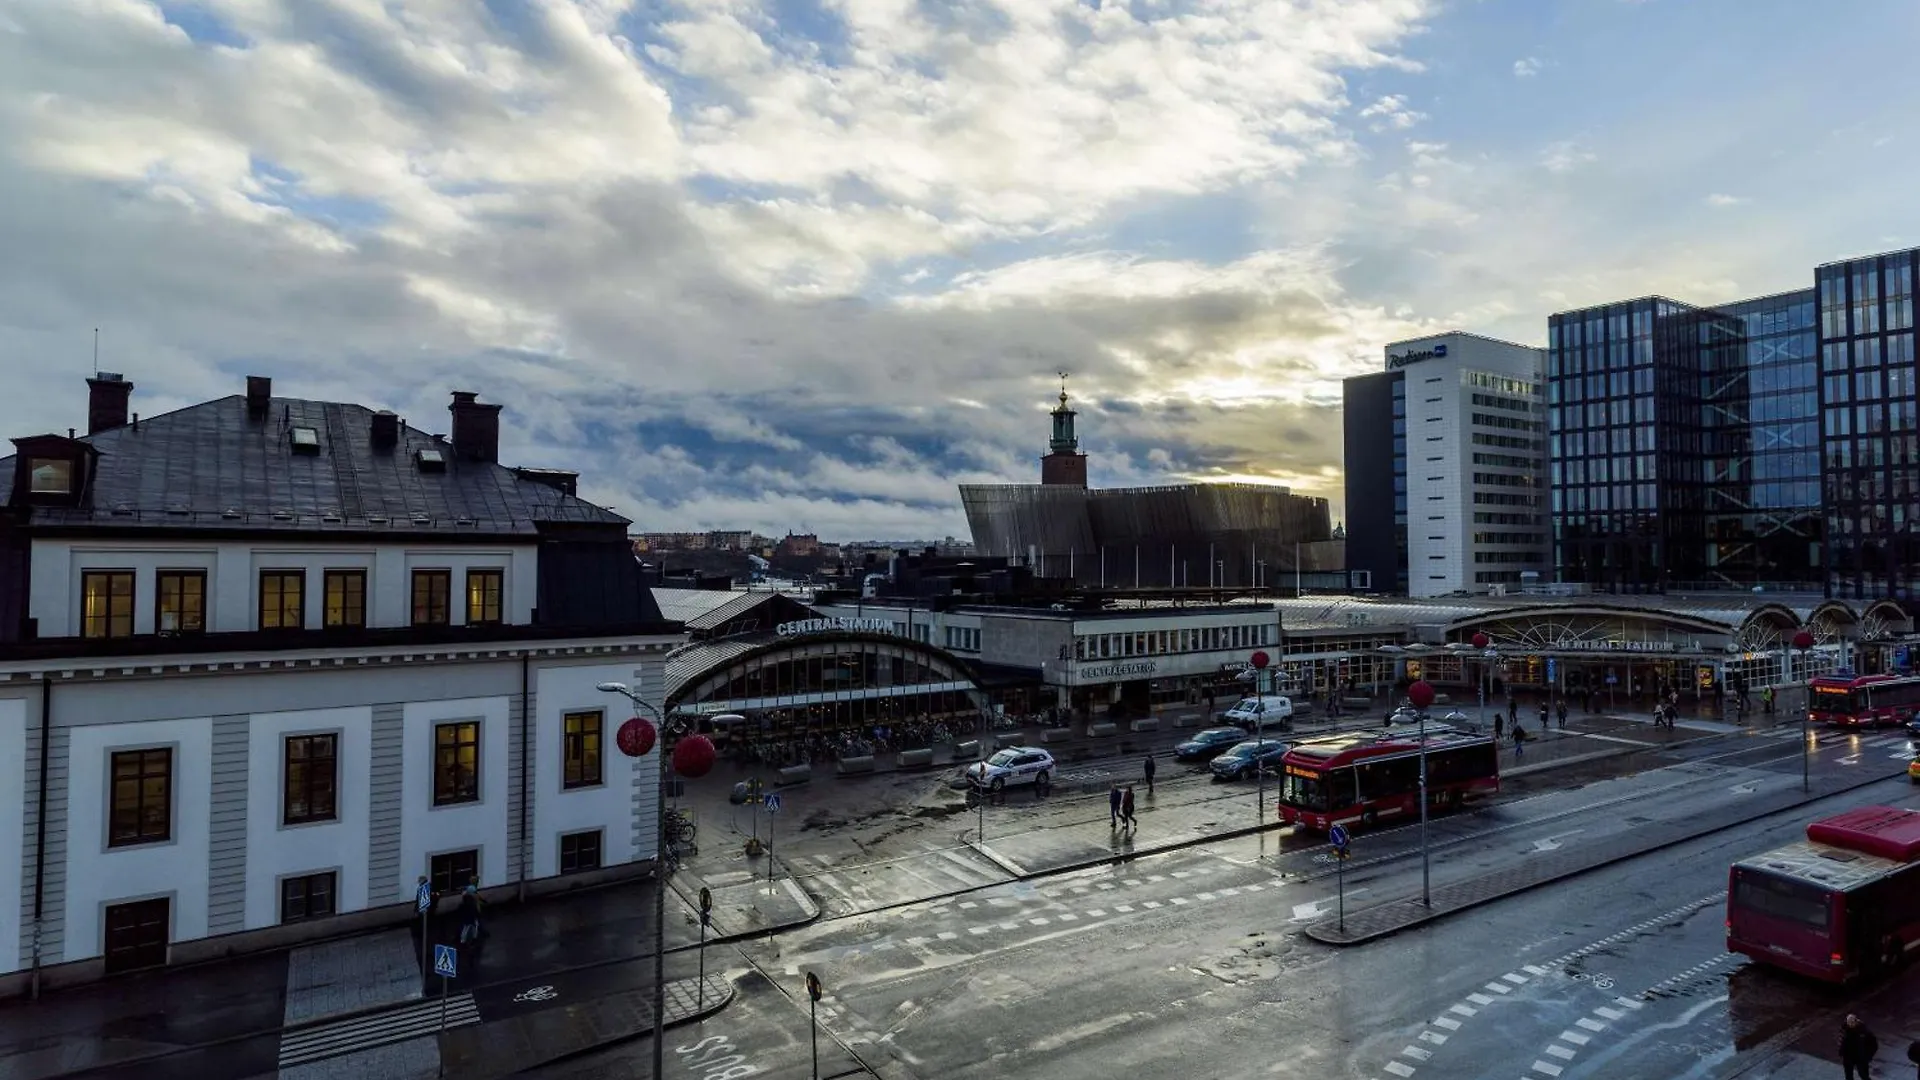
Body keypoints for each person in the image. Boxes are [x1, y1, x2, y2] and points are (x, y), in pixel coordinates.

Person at [1840, 1013, 1877, 1080]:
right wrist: (1841, 1051)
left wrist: (1868, 1056)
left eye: (1852, 1022)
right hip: (1848, 1056)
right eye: (1849, 1022)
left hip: (1861, 1057)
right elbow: (1842, 1041)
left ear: (1856, 1021)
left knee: (1864, 1075)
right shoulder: (1845, 1029)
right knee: (1849, 1076)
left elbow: (1873, 1045)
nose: (1850, 1024)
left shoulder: (1864, 1031)